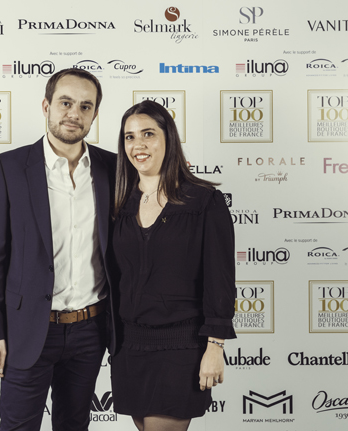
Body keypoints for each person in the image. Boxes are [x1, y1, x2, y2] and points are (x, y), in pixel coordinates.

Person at [0, 68, 117, 431]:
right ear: (46, 106)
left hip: (90, 330)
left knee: (74, 425)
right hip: (27, 329)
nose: (74, 113)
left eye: (85, 106)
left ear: (94, 114)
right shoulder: (9, 167)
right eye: (65, 103)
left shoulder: (113, 168)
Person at [110, 100, 236, 431]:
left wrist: (215, 346)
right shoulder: (119, 203)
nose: (138, 145)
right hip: (129, 347)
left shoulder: (203, 200)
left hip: (181, 346)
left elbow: (220, 279)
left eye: (148, 134)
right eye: (129, 137)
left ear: (169, 138)